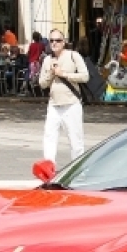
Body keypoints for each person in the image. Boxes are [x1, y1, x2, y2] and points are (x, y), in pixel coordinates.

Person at [38, 28, 89, 163]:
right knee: (49, 138)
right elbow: (42, 84)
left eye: (58, 40)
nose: (54, 43)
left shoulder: (73, 55)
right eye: (52, 40)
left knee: (75, 141)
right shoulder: (47, 59)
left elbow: (85, 76)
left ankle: (78, 171)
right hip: (54, 104)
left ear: (64, 42)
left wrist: (64, 74)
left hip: (71, 104)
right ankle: (49, 170)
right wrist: (51, 73)